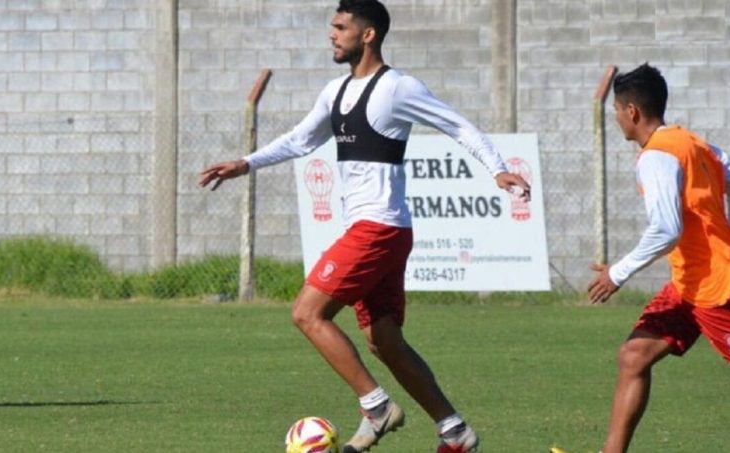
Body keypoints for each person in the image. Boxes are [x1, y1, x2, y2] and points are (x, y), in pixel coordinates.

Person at [200, 1, 530, 451]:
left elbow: (457, 126)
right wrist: (246, 163)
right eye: (331, 27)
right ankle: (455, 432)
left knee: (307, 313)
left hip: (378, 228)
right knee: (384, 340)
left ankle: (375, 407)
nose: (331, 35)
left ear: (368, 34)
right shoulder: (334, 93)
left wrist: (496, 169)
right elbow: (300, 139)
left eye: (340, 27)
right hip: (377, 229)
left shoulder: (397, 88)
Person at [585, 63, 730, 453]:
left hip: (716, 288)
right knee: (634, 354)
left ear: (631, 111)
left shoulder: (657, 157)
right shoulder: (693, 143)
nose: (616, 117)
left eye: (616, 110)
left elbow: (667, 229)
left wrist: (617, 273)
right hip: (689, 284)